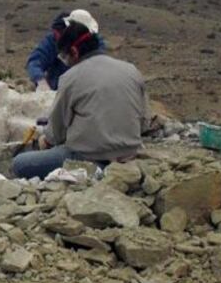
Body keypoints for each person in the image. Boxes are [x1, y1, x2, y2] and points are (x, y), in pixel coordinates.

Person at [13, 14, 146, 180]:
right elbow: (143, 121)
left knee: (20, 163)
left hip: (89, 157)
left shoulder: (71, 77)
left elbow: (54, 135)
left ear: (74, 51)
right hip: (130, 154)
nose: (65, 61)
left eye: (65, 56)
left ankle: (97, 171)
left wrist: (44, 141)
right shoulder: (132, 70)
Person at [26, 9, 101, 92]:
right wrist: (40, 81)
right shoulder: (53, 40)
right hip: (56, 90)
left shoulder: (96, 44)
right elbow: (35, 61)